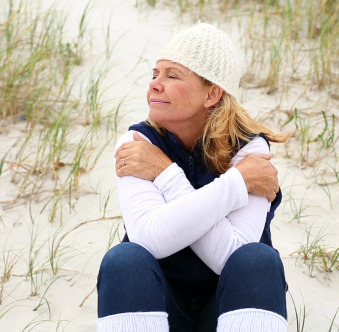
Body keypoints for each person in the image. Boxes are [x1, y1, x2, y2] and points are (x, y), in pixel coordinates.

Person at [96, 22, 289, 332]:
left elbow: (231, 255)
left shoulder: (249, 148)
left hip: (228, 307)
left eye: (172, 75)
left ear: (212, 93)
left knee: (256, 260)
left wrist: (165, 176)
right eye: (155, 74)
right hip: (158, 304)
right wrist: (236, 182)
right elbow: (148, 237)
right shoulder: (138, 144)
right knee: (125, 260)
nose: (155, 84)